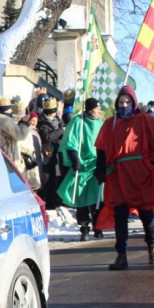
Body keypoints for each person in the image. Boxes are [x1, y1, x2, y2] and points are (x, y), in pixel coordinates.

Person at [94, 85, 154, 270]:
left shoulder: (145, 120)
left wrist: (152, 164)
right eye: (121, 102)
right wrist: (101, 170)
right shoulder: (109, 123)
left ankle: (152, 248)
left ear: (134, 102)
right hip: (118, 173)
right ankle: (121, 255)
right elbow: (102, 149)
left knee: (146, 213)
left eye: (127, 101)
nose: (124, 105)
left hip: (140, 172)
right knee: (120, 214)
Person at [58, 97, 105, 240]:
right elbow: (71, 142)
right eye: (97, 109)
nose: (99, 111)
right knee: (81, 198)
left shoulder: (100, 123)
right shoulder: (78, 122)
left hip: (96, 164)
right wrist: (75, 159)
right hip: (82, 165)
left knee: (97, 198)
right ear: (91, 109)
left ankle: (99, 227)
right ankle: (84, 227)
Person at [18, 112, 44, 191]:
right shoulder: (23, 131)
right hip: (26, 161)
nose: (34, 123)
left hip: (36, 160)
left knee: (35, 183)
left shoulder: (35, 131)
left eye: (36, 121)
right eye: (33, 120)